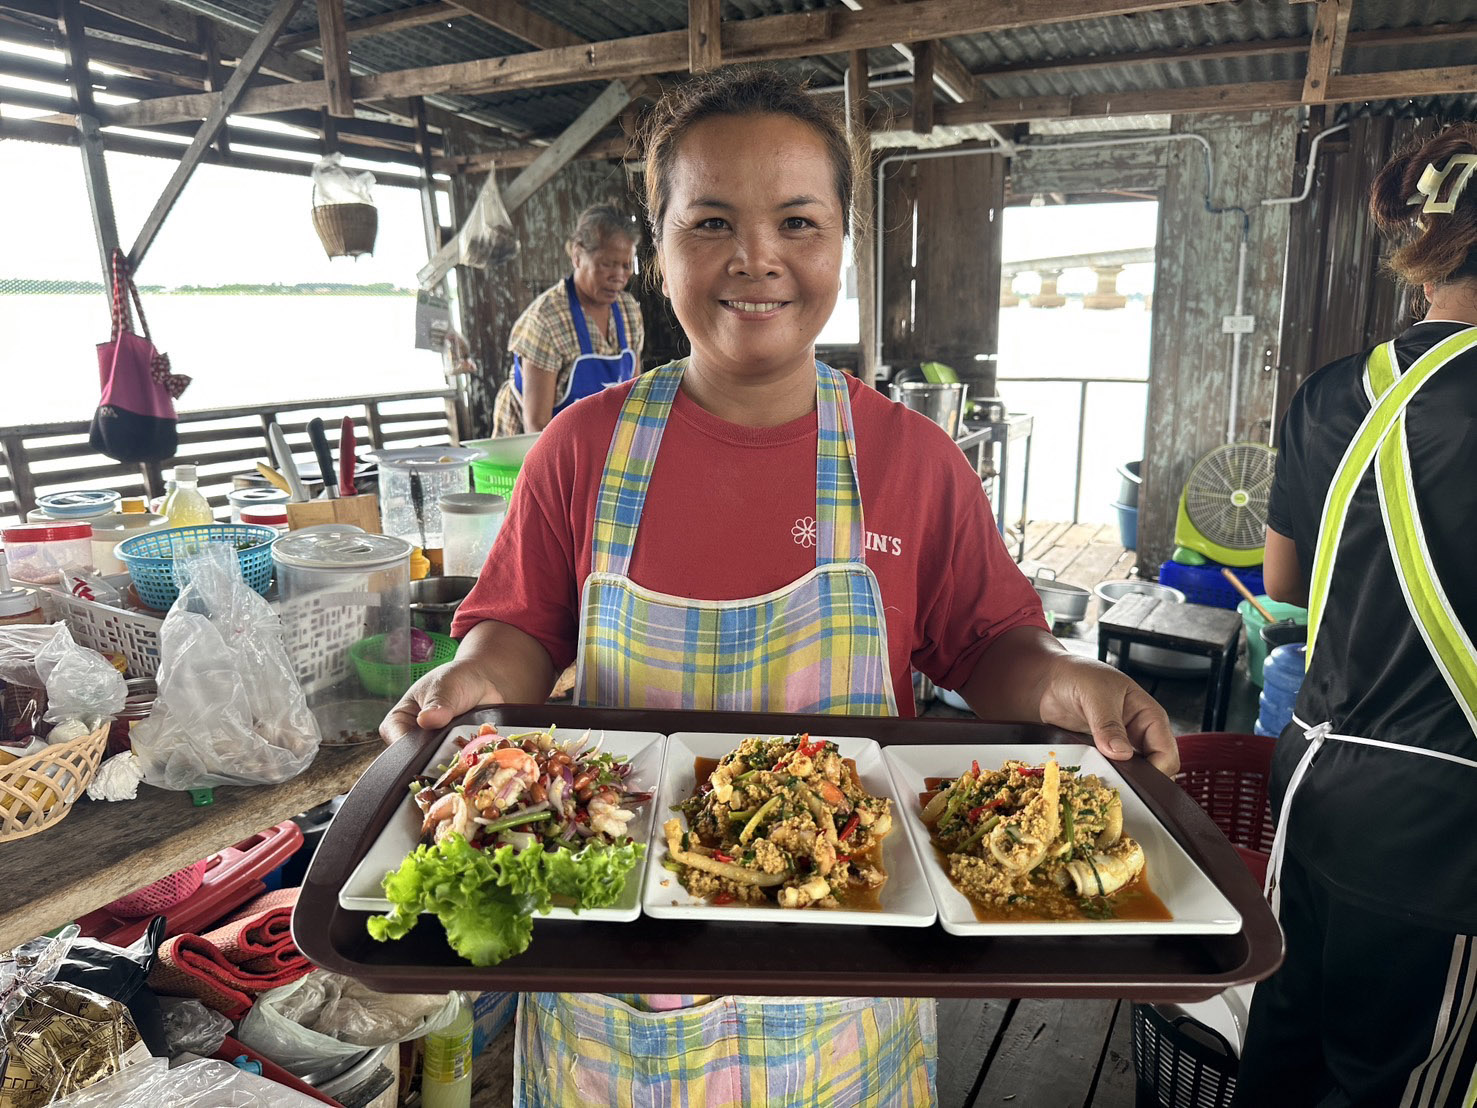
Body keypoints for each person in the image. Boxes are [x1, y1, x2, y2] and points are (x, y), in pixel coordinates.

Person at [384, 66, 1176, 1107]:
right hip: (621, 985)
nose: (754, 256)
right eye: (709, 220)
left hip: (851, 979)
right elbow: (520, 630)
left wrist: (1063, 682)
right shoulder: (581, 447)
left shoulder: (912, 458)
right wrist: (475, 678)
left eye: (796, 221)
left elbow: (987, 648)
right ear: (655, 245)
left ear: (842, 242)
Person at [1235, 124, 1477, 1106]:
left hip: (1312, 789)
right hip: (1441, 823)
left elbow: (1283, 591)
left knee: (1284, 1054)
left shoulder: (1332, 391)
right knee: (1392, 1082)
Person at [491, 204, 645, 436]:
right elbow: (537, 425)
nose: (619, 277)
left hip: (594, 442)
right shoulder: (546, 320)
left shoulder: (629, 311)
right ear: (577, 255)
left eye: (626, 266)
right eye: (607, 264)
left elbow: (635, 396)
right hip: (533, 447)